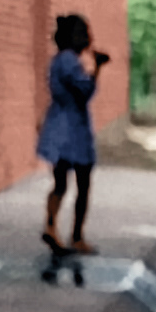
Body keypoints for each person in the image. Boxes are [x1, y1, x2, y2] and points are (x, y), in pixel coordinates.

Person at [37, 13, 108, 253]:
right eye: (85, 33)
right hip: (73, 129)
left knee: (59, 182)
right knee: (83, 183)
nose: (89, 38)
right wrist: (96, 68)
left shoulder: (58, 60)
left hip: (57, 124)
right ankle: (77, 237)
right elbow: (84, 91)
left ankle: (50, 226)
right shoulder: (70, 61)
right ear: (75, 36)